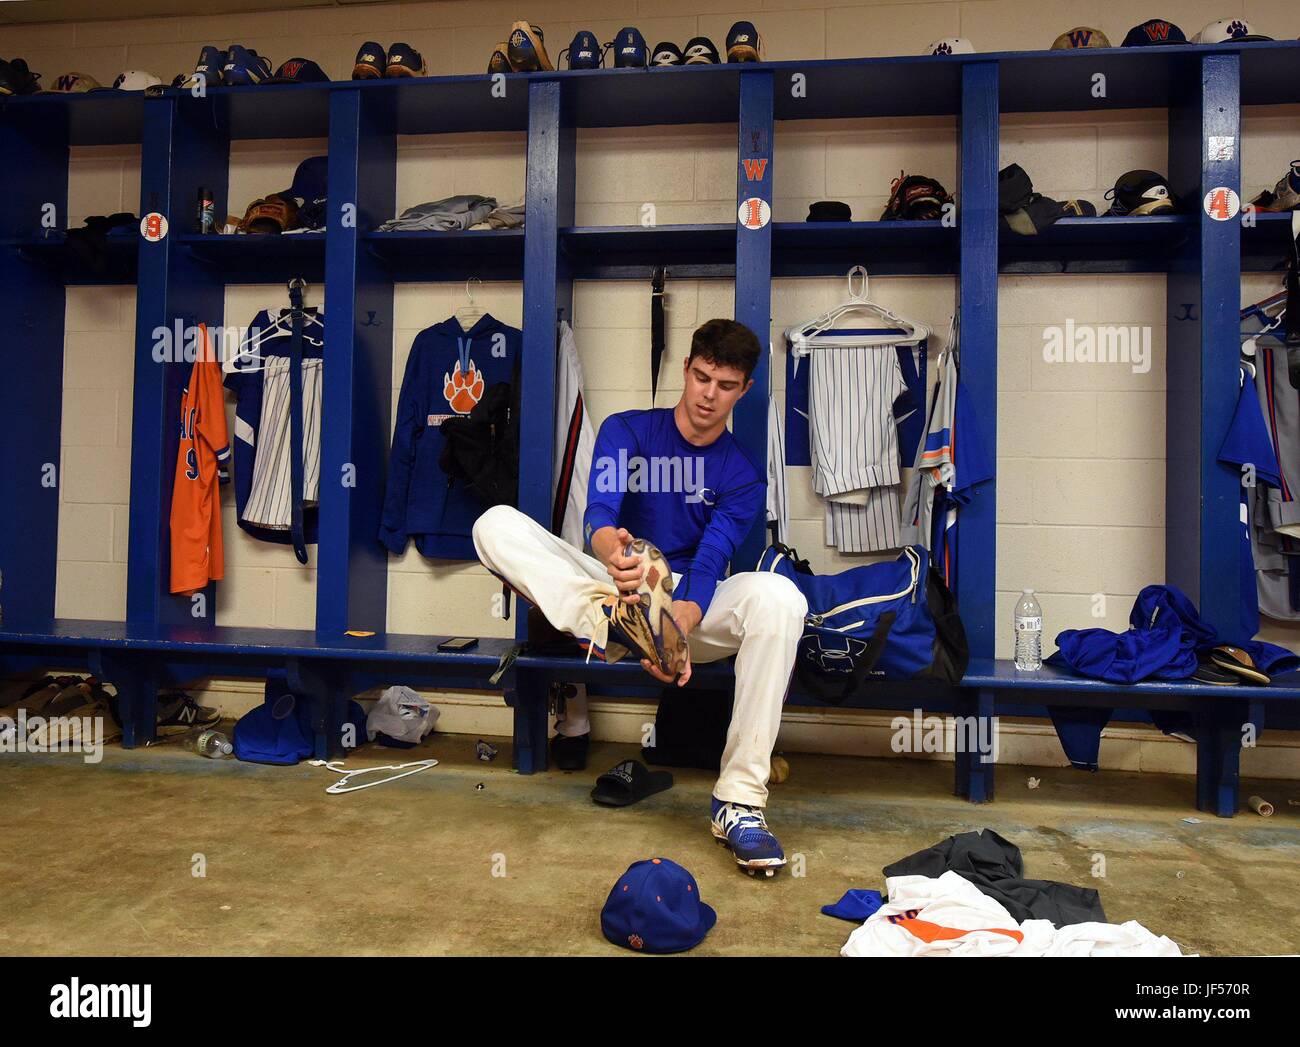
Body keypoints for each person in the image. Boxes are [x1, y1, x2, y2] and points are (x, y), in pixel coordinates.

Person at [473, 318, 807, 875]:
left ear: (744, 390)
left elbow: (710, 559)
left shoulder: (743, 474)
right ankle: (609, 622)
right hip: (616, 581)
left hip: (685, 608)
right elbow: (599, 514)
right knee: (494, 524)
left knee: (780, 597)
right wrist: (614, 554)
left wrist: (674, 626)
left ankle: (740, 802)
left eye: (725, 386)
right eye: (702, 377)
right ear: (686, 368)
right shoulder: (627, 430)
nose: (709, 394)